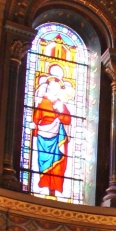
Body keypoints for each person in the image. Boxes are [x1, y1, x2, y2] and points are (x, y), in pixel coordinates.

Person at [32, 63, 73, 197]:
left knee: (58, 162)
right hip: (44, 137)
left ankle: (53, 190)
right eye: (53, 86)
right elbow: (36, 119)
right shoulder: (42, 102)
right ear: (49, 87)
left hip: (58, 136)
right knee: (44, 162)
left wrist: (61, 111)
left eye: (57, 87)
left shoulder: (61, 103)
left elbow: (67, 120)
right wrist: (34, 128)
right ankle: (46, 188)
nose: (55, 89)